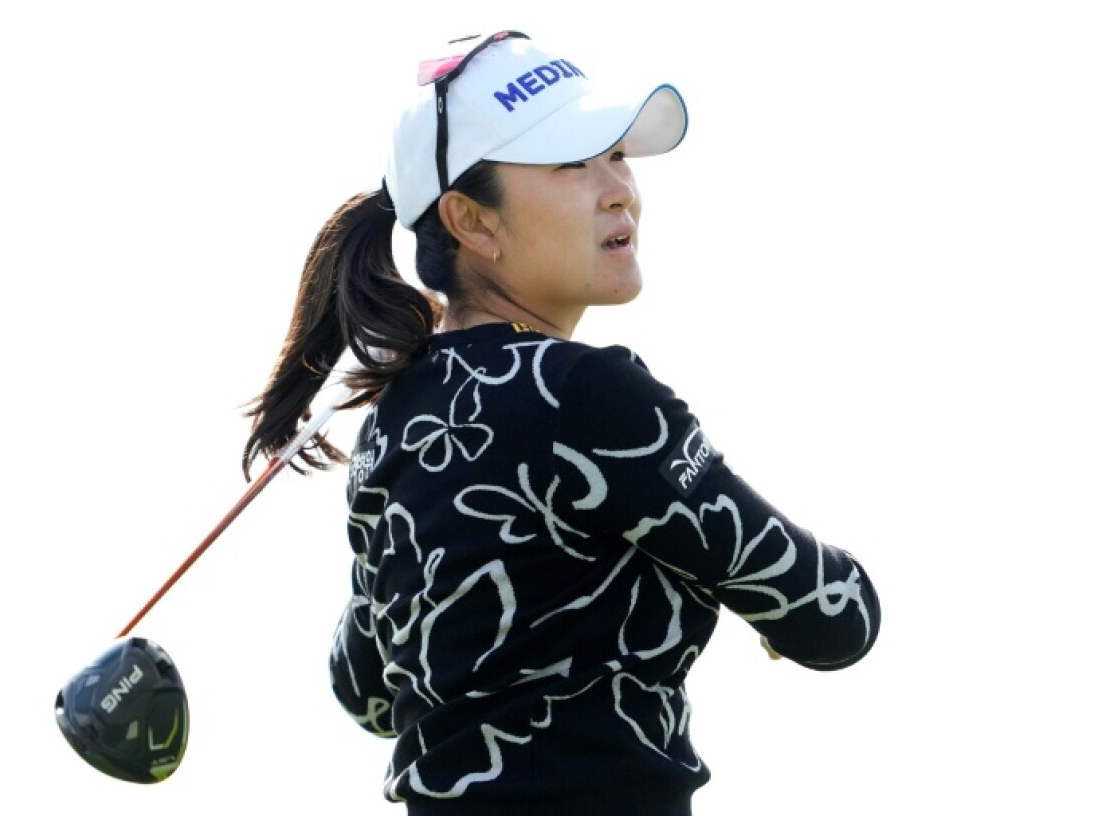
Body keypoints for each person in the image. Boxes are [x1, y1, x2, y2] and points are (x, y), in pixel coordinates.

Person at [242, 30, 880, 816]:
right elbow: (836, 615)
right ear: (473, 221)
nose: (619, 189)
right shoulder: (586, 394)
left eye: (616, 155)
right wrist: (758, 598)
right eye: (572, 162)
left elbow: (367, 695)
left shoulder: (389, 432)